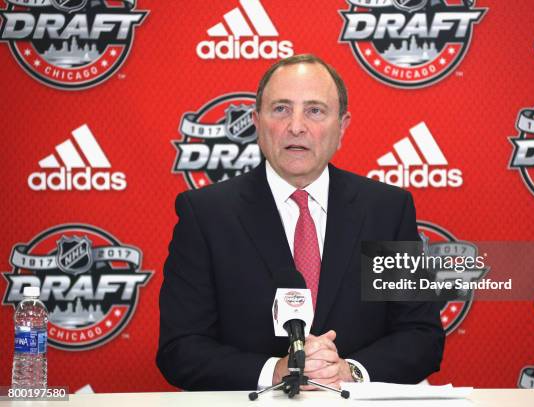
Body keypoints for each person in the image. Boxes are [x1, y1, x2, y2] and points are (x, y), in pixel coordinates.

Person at [156, 54, 444, 391]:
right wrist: (275, 371)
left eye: (315, 110)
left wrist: (348, 371)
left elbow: (421, 337)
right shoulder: (205, 214)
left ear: (343, 125)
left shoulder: (387, 210)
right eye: (280, 109)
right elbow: (181, 349)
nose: (296, 126)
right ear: (256, 121)